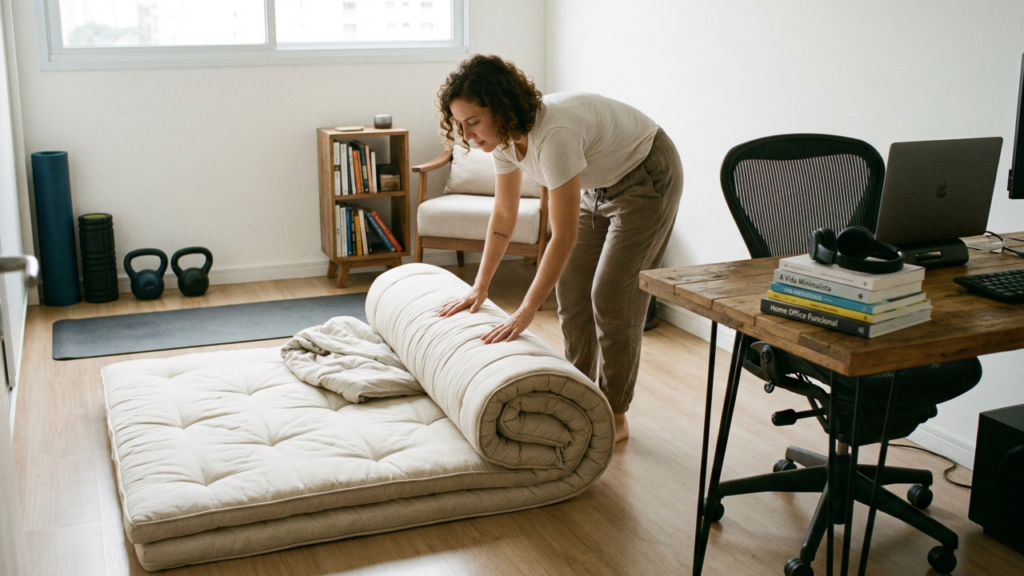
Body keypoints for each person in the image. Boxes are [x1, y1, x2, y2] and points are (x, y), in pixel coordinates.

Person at [435, 54, 683, 443]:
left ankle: (614, 413)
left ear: (501, 109)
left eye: (474, 123)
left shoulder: (555, 135)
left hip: (645, 173)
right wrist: (480, 286)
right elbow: (503, 216)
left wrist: (525, 310)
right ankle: (582, 396)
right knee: (571, 289)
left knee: (612, 296)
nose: (468, 136)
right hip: (596, 182)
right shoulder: (500, 141)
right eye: (460, 125)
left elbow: (561, 235)